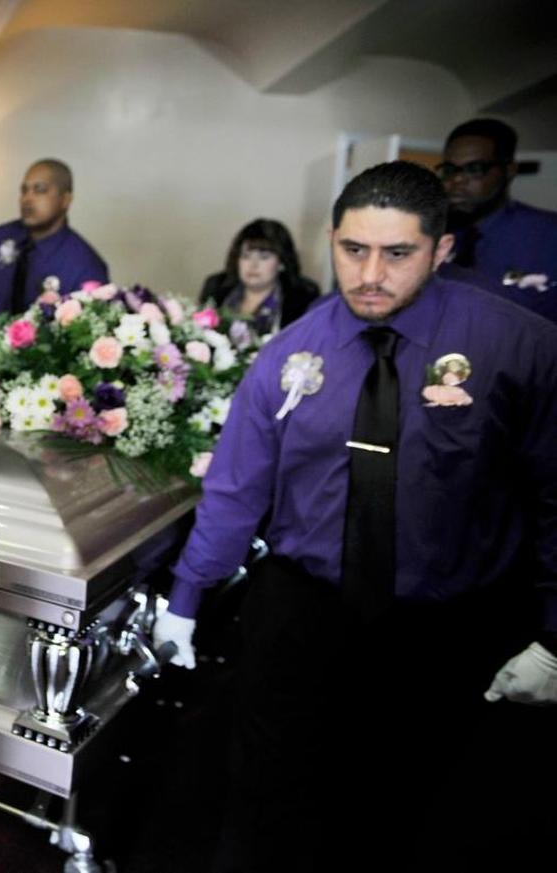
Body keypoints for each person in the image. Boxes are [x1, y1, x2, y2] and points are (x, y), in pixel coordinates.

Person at [154, 162, 557, 872]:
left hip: (443, 624)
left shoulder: (518, 345)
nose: (370, 273)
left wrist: (555, 638)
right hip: (301, 608)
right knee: (267, 796)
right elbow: (237, 486)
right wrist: (187, 596)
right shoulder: (288, 353)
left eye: (397, 253)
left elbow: (554, 490)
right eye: (352, 249)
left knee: (401, 806)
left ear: (441, 250)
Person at [439, 118, 557, 322]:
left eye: (475, 169)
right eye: (450, 170)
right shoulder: (432, 233)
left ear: (508, 171)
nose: (457, 180)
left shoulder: (549, 235)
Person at [0, 159, 108, 313]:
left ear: (65, 200)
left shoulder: (85, 265)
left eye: (39, 190)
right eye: (24, 190)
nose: (27, 198)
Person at [199, 218, 320, 334]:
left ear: (281, 263)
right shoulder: (216, 288)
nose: (253, 265)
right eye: (246, 256)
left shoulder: (302, 299)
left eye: (264, 257)